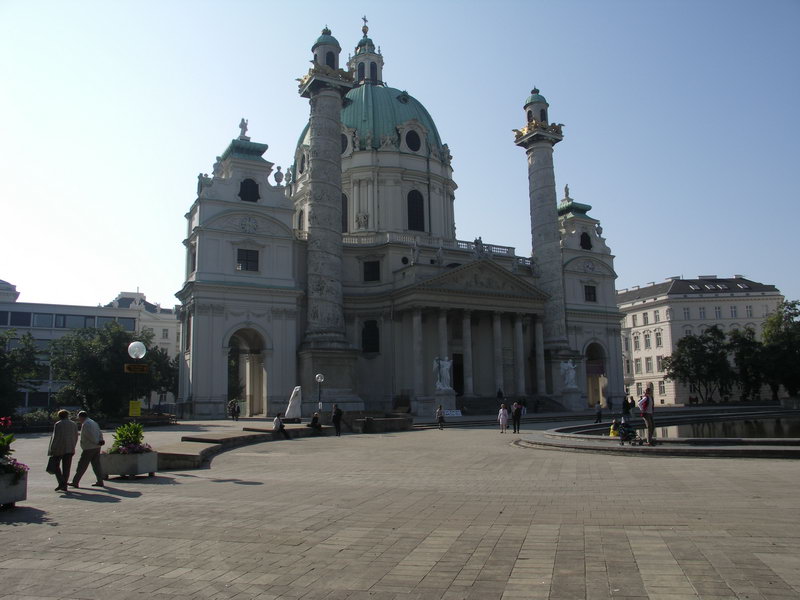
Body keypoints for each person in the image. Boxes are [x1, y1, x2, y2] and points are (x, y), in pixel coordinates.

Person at [70, 411, 105, 489]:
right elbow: (99, 432)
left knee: (82, 465)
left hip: (89, 447)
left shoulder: (86, 424)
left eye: (79, 418)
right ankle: (100, 481)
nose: (79, 420)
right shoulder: (93, 422)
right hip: (97, 447)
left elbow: (90, 435)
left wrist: (96, 442)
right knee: (96, 465)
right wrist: (100, 440)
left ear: (82, 417)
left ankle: (75, 481)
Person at [47, 410, 79, 492]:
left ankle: (62, 482)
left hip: (59, 448)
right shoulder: (73, 424)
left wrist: (52, 448)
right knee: (67, 468)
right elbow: (76, 436)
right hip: (70, 448)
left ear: (60, 416)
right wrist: (73, 445)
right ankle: (64, 485)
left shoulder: (58, 424)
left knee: (56, 465)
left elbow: (55, 437)